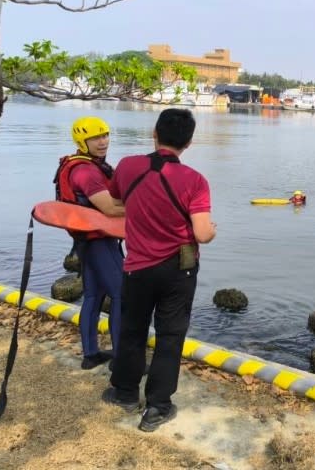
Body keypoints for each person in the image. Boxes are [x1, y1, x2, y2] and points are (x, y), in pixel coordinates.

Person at [102, 108, 216, 432]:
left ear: (155, 133)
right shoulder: (195, 180)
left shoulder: (127, 166)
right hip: (179, 270)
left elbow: (116, 202)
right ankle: (157, 407)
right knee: (170, 336)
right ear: (189, 142)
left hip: (137, 266)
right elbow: (203, 234)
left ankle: (124, 393)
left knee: (133, 329)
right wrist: (213, 230)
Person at [55, 116, 125, 370]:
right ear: (82, 142)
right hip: (99, 242)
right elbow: (110, 208)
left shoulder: (87, 165)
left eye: (105, 135)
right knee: (122, 295)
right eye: (95, 137)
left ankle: (91, 354)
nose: (103, 141)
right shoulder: (86, 171)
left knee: (94, 296)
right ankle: (122, 359)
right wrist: (144, 208)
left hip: (87, 241)